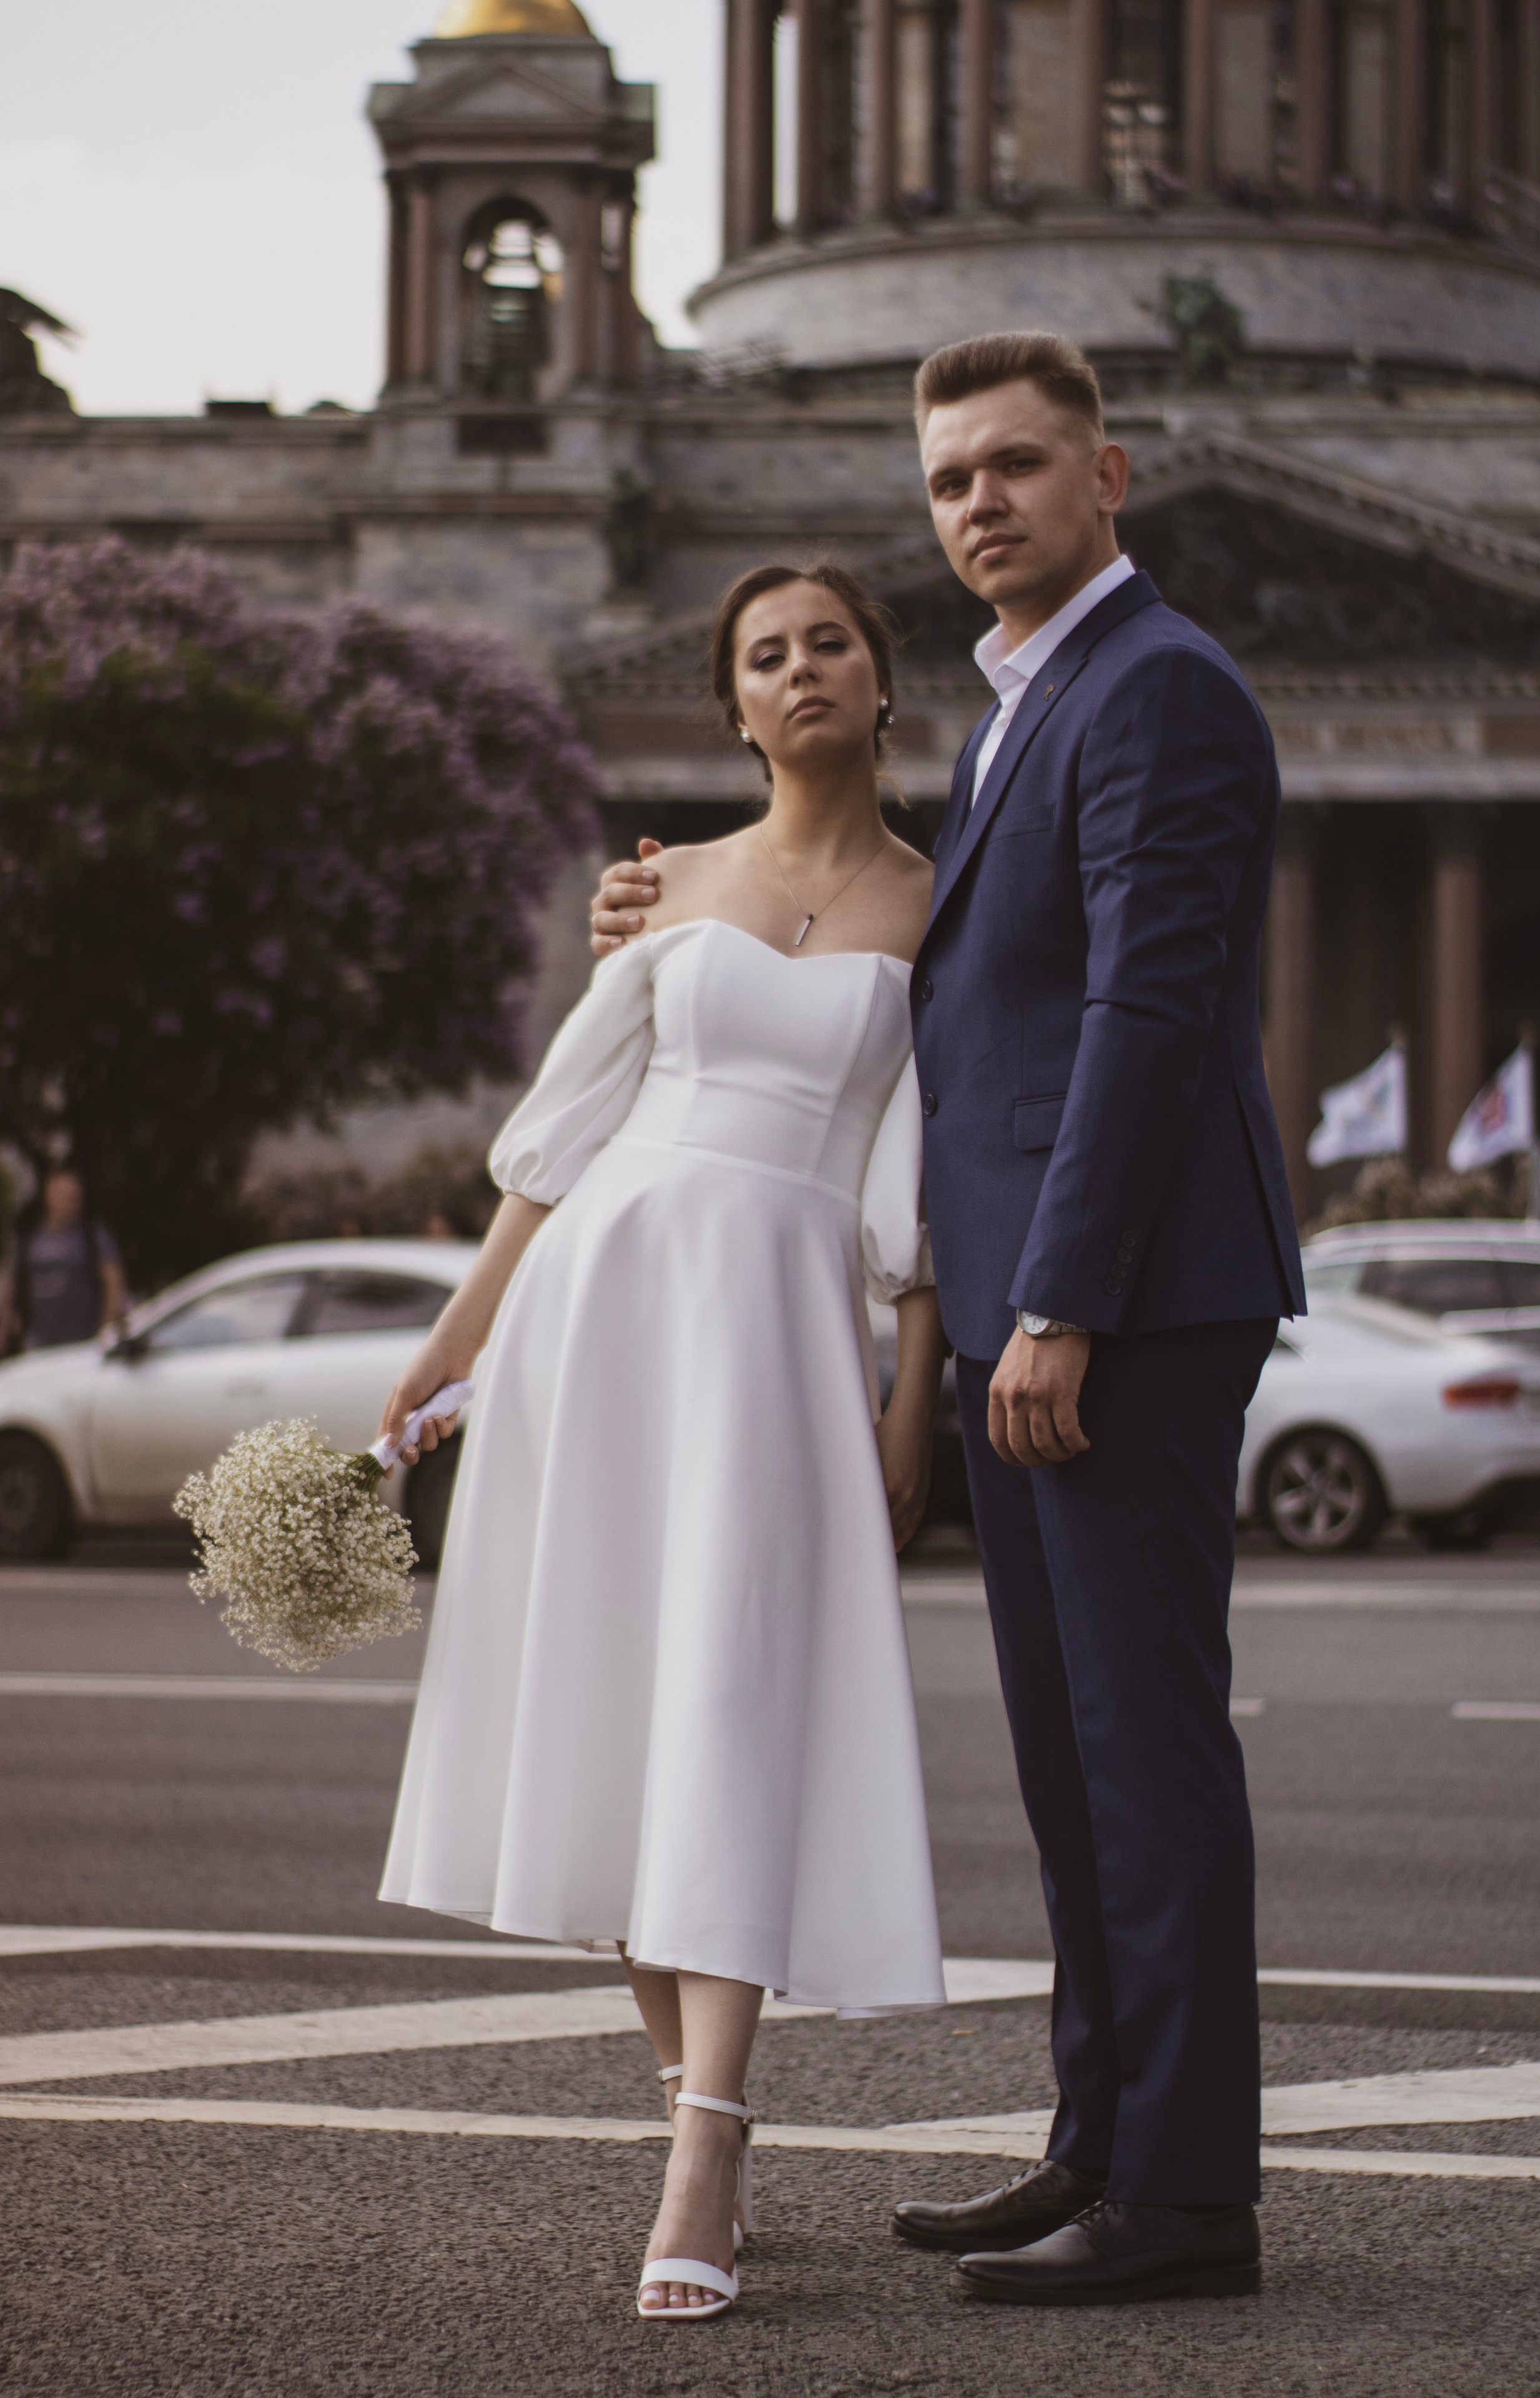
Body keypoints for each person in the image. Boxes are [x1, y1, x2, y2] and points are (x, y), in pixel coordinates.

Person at [590, 332, 1306, 2309]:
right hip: (1029, 1302)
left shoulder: (1152, 685)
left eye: (1015, 465)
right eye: (947, 481)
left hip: (1123, 1301)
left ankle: (1183, 2192)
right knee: (1078, 1764)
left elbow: (1147, 1024)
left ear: (1111, 473)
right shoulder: (1021, 702)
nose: (978, 501)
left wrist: (1058, 1297)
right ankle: (1098, 2136)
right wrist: (686, 917)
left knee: (1144, 1750)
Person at [376, 560, 948, 2324]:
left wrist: (910, 1400)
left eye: (827, 644)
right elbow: (567, 1133)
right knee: (626, 1717)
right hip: (601, 1313)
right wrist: (455, 1339)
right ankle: (699, 2116)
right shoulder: (666, 886)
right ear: (734, 704)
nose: (798, 673)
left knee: (725, 1707)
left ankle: (706, 2139)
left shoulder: (946, 904)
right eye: (764, 656)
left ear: (879, 677)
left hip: (780, 1331)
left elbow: (927, 1181)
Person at [1, 1168, 126, 1353]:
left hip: (82, 1345)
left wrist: (107, 1331)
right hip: (37, 1345)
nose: (71, 1201)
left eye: (75, 1196)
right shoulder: (28, 1239)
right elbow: (9, 1291)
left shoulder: (93, 1235)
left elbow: (114, 1283)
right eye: (64, 1195)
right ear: (47, 1197)